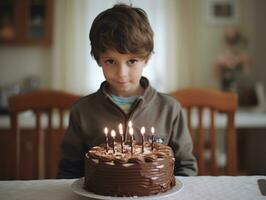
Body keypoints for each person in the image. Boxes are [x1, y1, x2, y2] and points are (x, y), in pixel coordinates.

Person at [57, 3, 197, 178]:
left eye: (131, 61)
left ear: (146, 59)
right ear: (98, 59)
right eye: (110, 61)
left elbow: (186, 167)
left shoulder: (169, 109)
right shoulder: (82, 111)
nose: (121, 73)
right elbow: (70, 171)